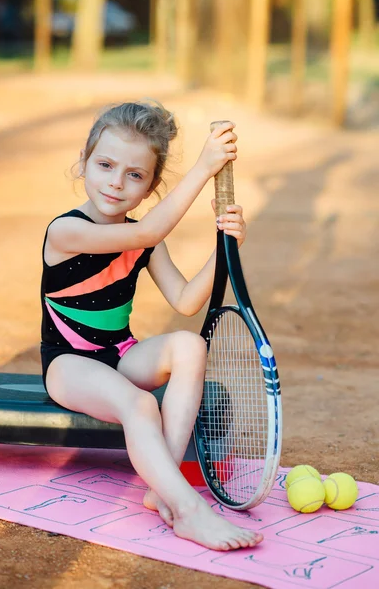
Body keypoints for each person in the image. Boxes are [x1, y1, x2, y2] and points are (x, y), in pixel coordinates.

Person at [40, 100, 263, 551]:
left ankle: (162, 483)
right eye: (104, 165)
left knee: (189, 346)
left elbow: (184, 301)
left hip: (121, 354)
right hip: (69, 364)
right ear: (84, 162)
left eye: (135, 175)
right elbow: (146, 234)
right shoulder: (67, 231)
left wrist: (224, 246)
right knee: (140, 406)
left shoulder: (144, 239)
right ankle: (187, 510)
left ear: (151, 187)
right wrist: (203, 168)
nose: (117, 183)